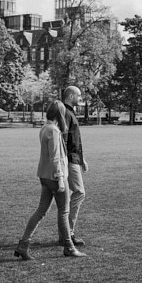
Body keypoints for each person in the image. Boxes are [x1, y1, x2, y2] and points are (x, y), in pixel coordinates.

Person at [14, 101, 86, 260]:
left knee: (41, 211)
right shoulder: (53, 131)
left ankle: (23, 245)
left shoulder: (44, 128)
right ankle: (69, 247)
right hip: (55, 177)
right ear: (60, 114)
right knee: (64, 212)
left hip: (44, 176)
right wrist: (61, 179)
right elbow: (55, 158)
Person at [62, 86, 88, 247]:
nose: (80, 98)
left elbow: (74, 138)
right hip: (70, 159)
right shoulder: (65, 113)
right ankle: (68, 233)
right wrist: (65, 161)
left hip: (75, 158)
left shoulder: (69, 112)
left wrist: (82, 159)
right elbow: (64, 140)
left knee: (71, 195)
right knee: (79, 192)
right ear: (71, 96)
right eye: (78, 96)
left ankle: (66, 233)